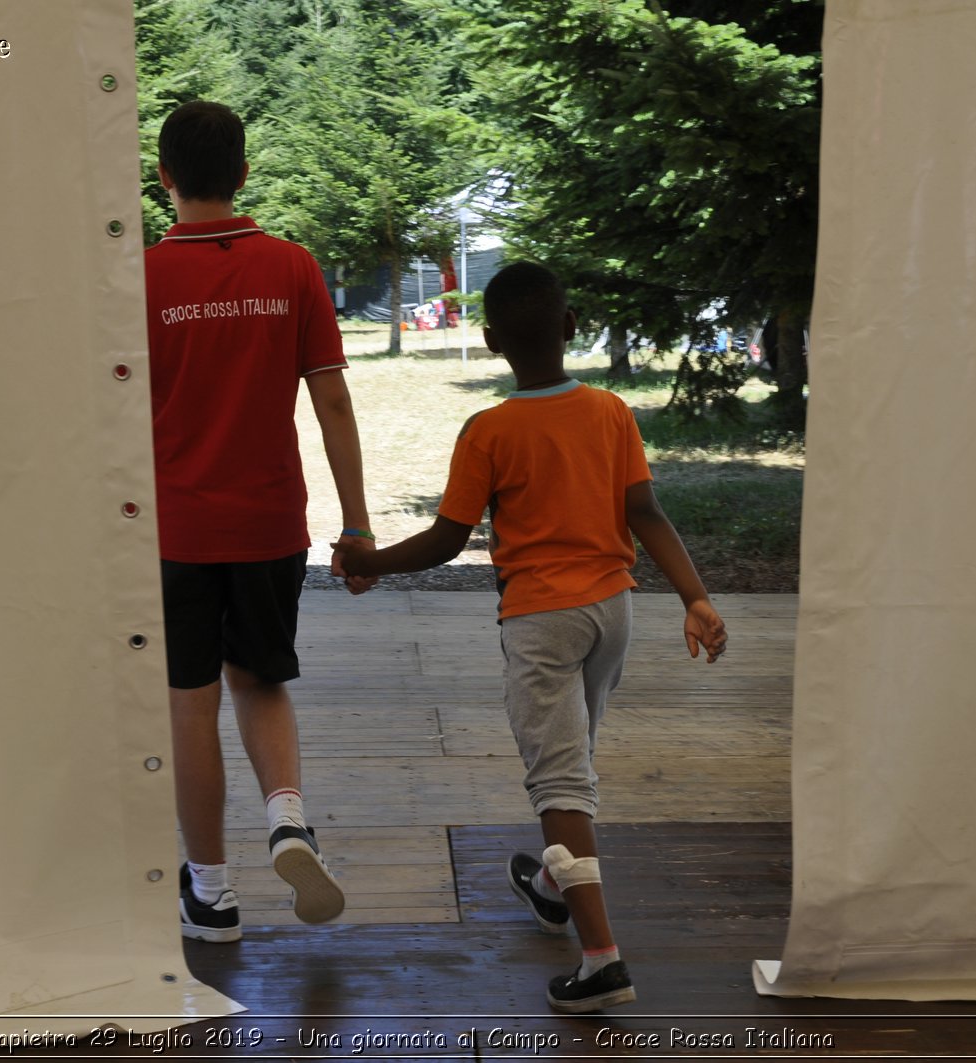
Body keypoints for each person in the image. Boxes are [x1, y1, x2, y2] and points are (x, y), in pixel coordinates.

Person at [335, 262, 727, 1012]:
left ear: (488, 342)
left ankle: (603, 961)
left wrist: (370, 565)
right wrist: (696, 597)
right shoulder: (611, 411)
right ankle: (552, 886)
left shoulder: (489, 430)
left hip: (541, 621)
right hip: (614, 610)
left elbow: (450, 539)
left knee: (558, 783)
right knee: (571, 760)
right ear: (573, 326)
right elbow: (644, 511)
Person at [145, 101, 376, 943]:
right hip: (272, 522)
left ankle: (211, 891)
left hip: (174, 531)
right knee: (263, 677)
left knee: (190, 703)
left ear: (164, 177)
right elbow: (335, 400)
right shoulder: (292, 267)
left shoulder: (137, 280)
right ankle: (287, 816)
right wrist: (356, 525)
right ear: (243, 175)